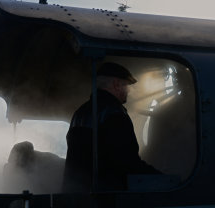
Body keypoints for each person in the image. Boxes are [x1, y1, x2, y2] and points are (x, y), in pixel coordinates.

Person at [64, 62, 161, 191]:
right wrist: (161, 179)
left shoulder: (80, 112)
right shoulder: (113, 112)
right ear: (116, 84)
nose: (129, 91)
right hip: (106, 197)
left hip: (79, 194)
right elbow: (127, 162)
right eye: (126, 85)